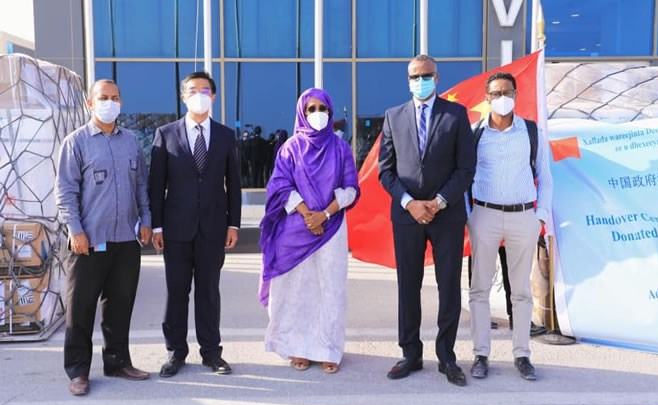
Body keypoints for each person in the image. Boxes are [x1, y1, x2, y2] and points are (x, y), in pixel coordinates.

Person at [378, 55, 475, 386]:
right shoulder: (393, 117)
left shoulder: (456, 114)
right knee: (409, 285)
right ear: (408, 81)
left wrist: (438, 201)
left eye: (426, 75)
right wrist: (410, 203)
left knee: (449, 285)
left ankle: (447, 356)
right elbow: (385, 171)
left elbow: (466, 168)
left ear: (437, 77)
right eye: (415, 76)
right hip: (407, 216)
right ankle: (410, 353)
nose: (421, 80)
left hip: (446, 215)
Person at [55, 79, 152, 396]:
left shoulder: (132, 141)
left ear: (121, 103)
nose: (109, 102)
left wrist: (146, 220)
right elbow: (66, 192)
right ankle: (78, 371)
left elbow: (141, 188)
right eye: (103, 98)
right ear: (89, 103)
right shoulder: (76, 142)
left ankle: (118, 361)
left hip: (126, 239)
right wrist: (75, 230)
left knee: (120, 305)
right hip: (88, 241)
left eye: (114, 98)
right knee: (80, 307)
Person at [259, 88, 360, 374]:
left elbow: (351, 189)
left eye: (323, 108)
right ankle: (298, 348)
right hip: (295, 230)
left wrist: (324, 214)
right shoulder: (290, 147)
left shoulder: (340, 148)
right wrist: (307, 215)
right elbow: (280, 186)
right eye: (312, 109)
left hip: (332, 227)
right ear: (302, 113)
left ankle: (329, 348)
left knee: (330, 289)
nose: (318, 114)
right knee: (296, 291)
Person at [148, 71, 242, 378]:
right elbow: (156, 184)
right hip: (175, 229)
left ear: (213, 97)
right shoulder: (165, 133)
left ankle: (212, 353)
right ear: (183, 96)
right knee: (176, 292)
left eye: (205, 90)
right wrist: (158, 226)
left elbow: (235, 184)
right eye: (192, 90)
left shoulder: (226, 136)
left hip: (214, 228)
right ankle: (175, 352)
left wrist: (234, 225)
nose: (199, 94)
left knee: (208, 292)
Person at [467, 72, 552, 381]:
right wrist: (469, 215)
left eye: (507, 91)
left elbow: (546, 176)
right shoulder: (475, 133)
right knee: (479, 289)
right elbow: (464, 176)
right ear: (487, 98)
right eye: (496, 93)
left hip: (523, 217)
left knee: (521, 291)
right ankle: (480, 354)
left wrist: (539, 217)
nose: (502, 97)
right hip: (485, 215)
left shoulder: (531, 132)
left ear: (516, 95)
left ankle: (522, 355)